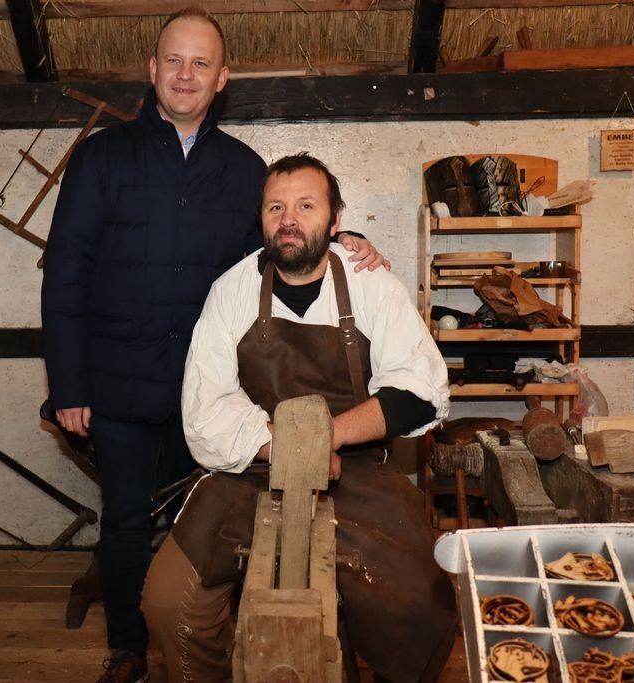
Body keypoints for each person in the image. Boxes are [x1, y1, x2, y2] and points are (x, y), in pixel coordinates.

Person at [41, 8, 388, 683]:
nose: (185, 74)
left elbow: (283, 249)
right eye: (174, 60)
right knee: (124, 521)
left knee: (208, 527)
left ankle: (201, 648)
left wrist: (344, 242)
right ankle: (128, 651)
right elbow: (65, 271)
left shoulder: (244, 169)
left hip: (213, 392)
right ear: (152, 69)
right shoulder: (101, 158)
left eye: (201, 63)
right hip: (117, 381)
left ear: (222, 78)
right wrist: (69, 384)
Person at [141, 153, 457, 683]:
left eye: (306, 206)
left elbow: (420, 390)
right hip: (249, 468)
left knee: (422, 607)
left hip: (356, 473)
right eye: (276, 207)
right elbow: (205, 408)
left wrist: (324, 438)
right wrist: (286, 447)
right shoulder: (231, 291)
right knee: (168, 603)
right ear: (262, 218)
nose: (288, 220)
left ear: (335, 220)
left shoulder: (371, 285)